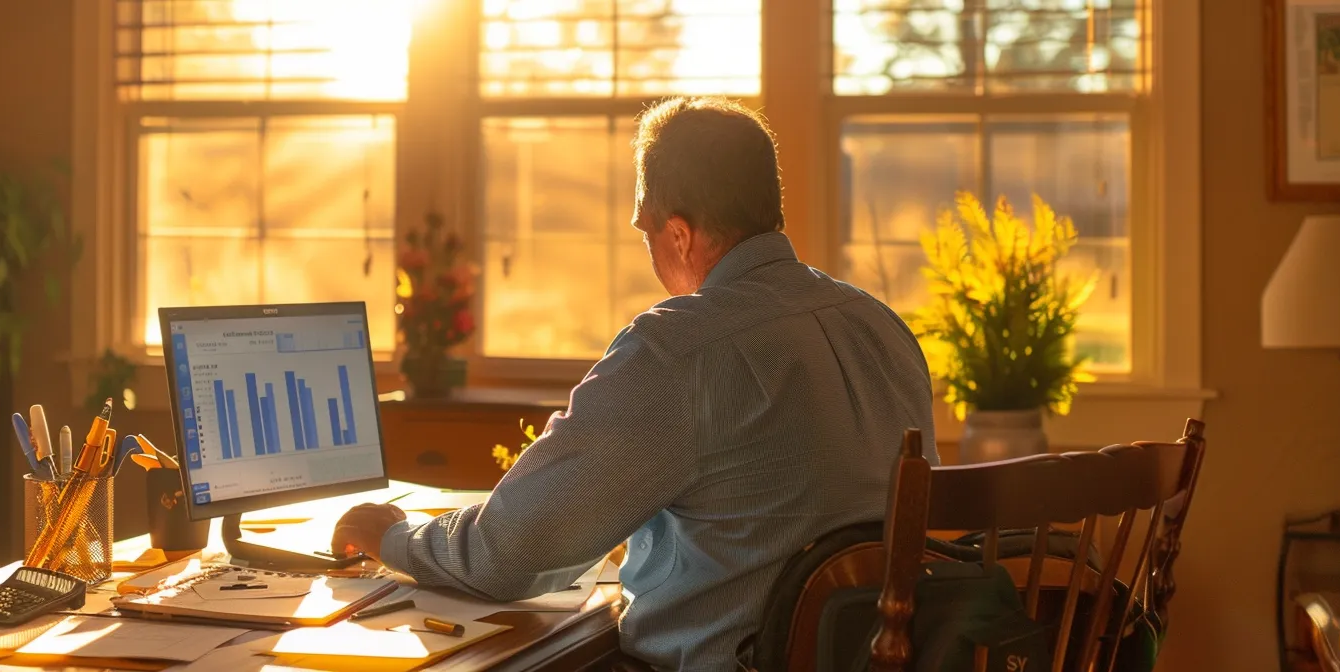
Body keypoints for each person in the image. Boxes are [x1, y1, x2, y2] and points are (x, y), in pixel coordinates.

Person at [333, 96, 938, 670]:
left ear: (678, 233)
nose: (650, 250)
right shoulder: (880, 325)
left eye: (647, 231)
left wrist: (395, 537)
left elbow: (511, 553)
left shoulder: (679, 347)